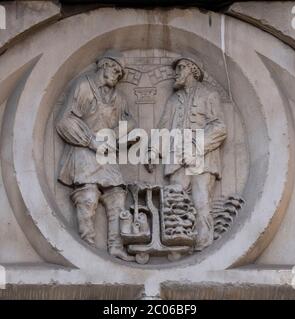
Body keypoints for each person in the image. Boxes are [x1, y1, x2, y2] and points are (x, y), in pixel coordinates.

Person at [56, 50, 135, 261]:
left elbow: (130, 122)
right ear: (104, 65)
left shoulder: (119, 98)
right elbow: (65, 121)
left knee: (117, 195)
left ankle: (116, 246)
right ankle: (88, 245)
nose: (117, 75)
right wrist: (91, 142)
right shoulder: (84, 86)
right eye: (115, 69)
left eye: (120, 73)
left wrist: (115, 136)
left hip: (105, 154)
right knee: (88, 196)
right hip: (82, 149)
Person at [146, 56, 227, 251]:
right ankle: (179, 241)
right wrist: (153, 151)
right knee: (176, 200)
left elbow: (220, 127)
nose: (177, 72)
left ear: (193, 70)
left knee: (201, 200)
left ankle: (203, 245)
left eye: (181, 67)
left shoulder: (209, 94)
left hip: (202, 158)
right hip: (177, 158)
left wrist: (196, 148)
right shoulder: (174, 99)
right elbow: (164, 127)